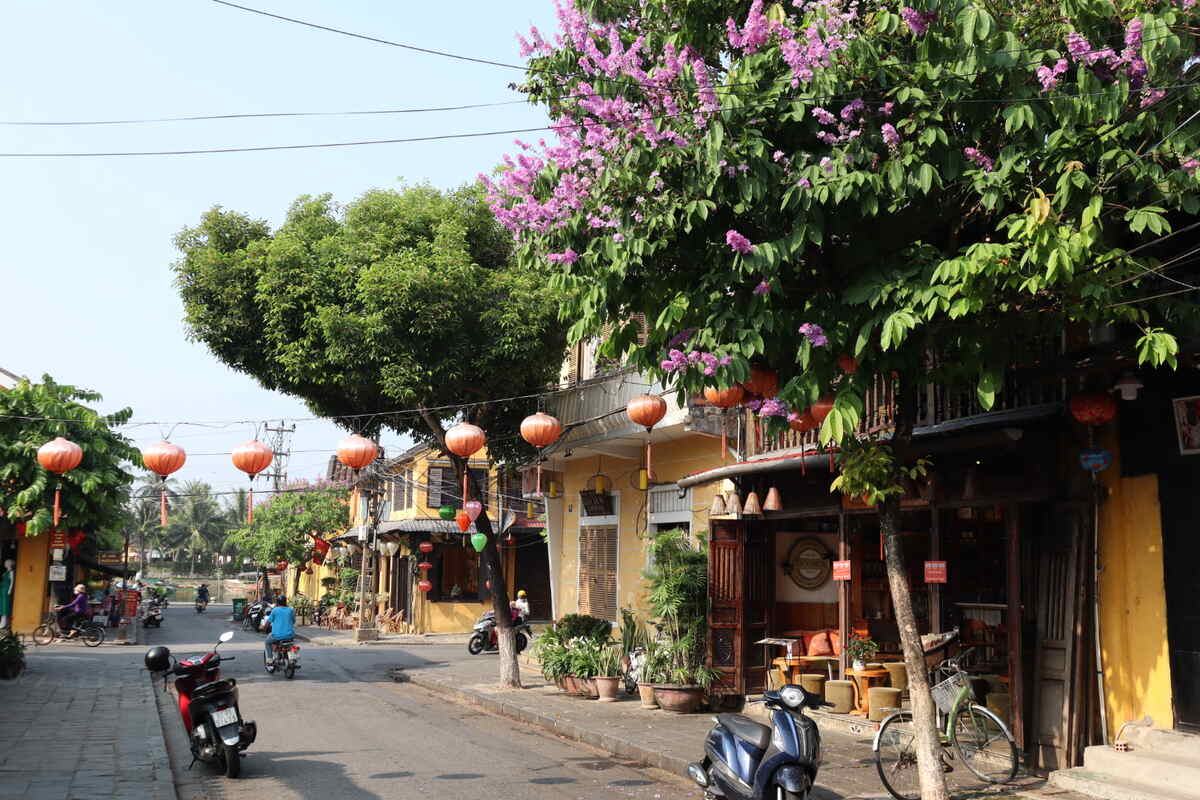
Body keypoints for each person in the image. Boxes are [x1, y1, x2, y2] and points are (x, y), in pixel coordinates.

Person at [263, 595, 296, 672]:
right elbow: (293, 621)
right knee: (292, 645)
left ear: (277, 602)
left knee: (267, 642)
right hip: (290, 636)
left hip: (277, 636)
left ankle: (270, 660)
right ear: (285, 602)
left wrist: (264, 627)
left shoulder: (275, 610)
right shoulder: (290, 610)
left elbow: (268, 622)